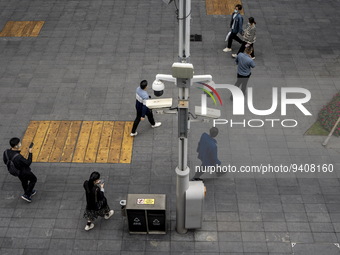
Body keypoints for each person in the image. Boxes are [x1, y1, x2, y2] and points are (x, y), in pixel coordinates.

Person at [3, 137, 37, 203]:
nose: (20, 144)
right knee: (33, 179)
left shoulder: (6, 152)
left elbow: (5, 161)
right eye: (19, 143)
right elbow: (28, 163)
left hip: (17, 171)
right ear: (16, 146)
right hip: (24, 171)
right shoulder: (18, 157)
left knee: (24, 182)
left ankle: (28, 191)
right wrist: (30, 153)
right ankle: (27, 195)